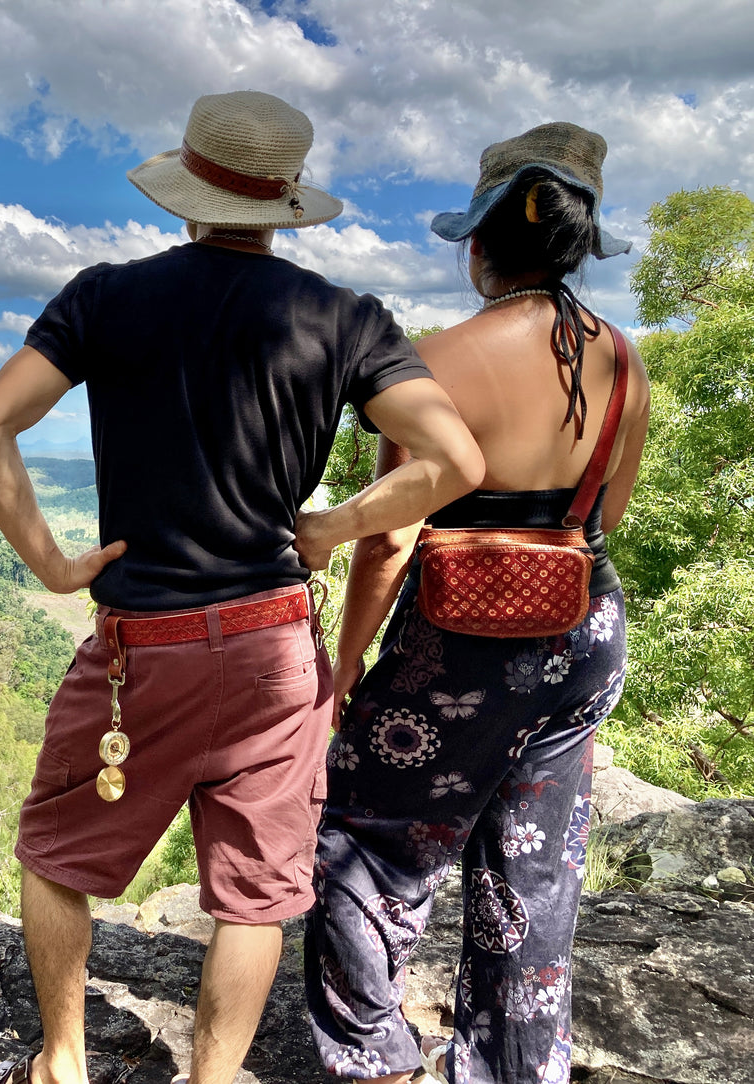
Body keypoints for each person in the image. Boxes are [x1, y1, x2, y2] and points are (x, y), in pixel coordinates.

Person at [0, 90, 484, 1084]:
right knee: (252, 897)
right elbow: (451, 458)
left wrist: (52, 564)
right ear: (284, 204)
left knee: (56, 853)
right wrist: (329, 523)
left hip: (139, 648)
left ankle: (61, 1061)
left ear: (188, 191)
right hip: (273, 648)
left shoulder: (105, 296)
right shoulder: (343, 318)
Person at [299, 122, 652, 1084]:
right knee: (532, 865)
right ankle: (508, 1067)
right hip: (581, 631)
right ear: (578, 244)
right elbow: (602, 513)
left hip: (458, 646)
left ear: (479, 242)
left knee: (364, 836)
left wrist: (345, 666)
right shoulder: (624, 363)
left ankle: (372, 1056)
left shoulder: (430, 361)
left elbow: (387, 535)